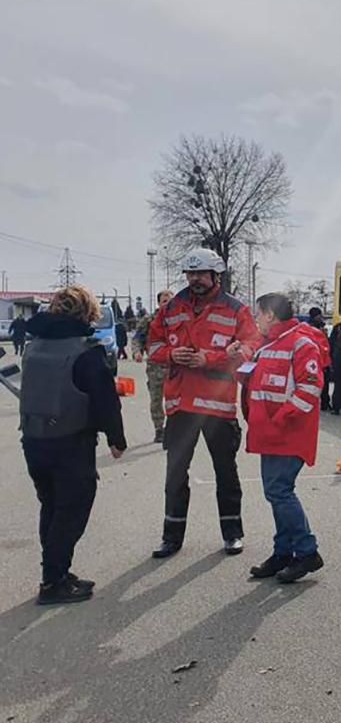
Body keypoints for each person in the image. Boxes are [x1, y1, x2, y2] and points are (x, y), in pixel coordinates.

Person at [146, 249, 261, 559]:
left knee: (226, 473)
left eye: (201, 274)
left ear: (216, 276)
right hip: (181, 405)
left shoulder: (237, 310)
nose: (194, 280)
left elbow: (251, 347)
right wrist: (170, 355)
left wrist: (210, 358)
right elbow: (153, 344)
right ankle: (171, 537)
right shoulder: (171, 309)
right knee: (175, 475)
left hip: (218, 406)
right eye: (190, 274)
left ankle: (232, 534)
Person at [19, 286, 126, 605]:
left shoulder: (34, 344)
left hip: (34, 439)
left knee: (51, 506)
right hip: (71, 441)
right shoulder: (85, 348)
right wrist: (116, 438)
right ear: (87, 311)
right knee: (72, 510)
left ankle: (57, 572)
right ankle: (53, 582)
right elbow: (105, 398)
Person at [242, 293, 325, 583]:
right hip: (270, 434)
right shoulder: (268, 345)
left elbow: (310, 388)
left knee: (280, 492)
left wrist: (281, 418)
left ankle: (306, 551)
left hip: (288, 434)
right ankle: (283, 552)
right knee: (275, 493)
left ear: (269, 315)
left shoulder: (301, 343)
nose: (255, 320)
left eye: (257, 314)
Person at [134, 289, 174, 443]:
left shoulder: (181, 319)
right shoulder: (149, 320)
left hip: (175, 366)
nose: (168, 305)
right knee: (156, 400)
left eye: (170, 302)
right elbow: (137, 338)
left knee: (175, 400)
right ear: (159, 303)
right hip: (155, 366)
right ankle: (159, 429)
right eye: (165, 301)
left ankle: (174, 427)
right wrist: (137, 352)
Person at [305, 307, 332, 412]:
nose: (322, 318)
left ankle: (323, 403)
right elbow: (324, 347)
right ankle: (324, 403)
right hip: (321, 363)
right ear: (316, 316)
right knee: (322, 384)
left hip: (316, 362)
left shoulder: (308, 328)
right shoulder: (316, 331)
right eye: (320, 316)